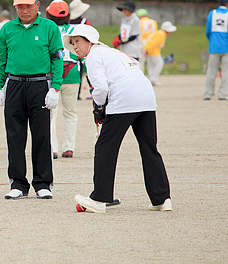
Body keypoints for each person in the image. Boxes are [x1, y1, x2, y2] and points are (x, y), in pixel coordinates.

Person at [65, 24, 172, 213]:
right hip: (146, 97)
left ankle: (100, 198)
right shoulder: (115, 53)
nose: (75, 46)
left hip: (124, 99)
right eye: (73, 43)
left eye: (77, 41)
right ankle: (162, 199)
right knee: (149, 148)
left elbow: (101, 88)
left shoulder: (93, 56)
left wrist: (99, 107)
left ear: (90, 41)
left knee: (105, 146)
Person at [0, 0, 63, 200]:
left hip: (40, 85)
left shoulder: (49, 27)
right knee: (14, 136)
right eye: (20, 6)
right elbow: (0, 60)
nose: (24, 10)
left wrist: (55, 87)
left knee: (41, 135)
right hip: (14, 85)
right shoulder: (7, 29)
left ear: (38, 5)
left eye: (28, 6)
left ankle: (43, 183)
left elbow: (57, 59)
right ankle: (18, 183)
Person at [45, 0, 79, 159]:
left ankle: (52, 148)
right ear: (68, 15)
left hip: (52, 73)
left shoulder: (47, 29)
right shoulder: (75, 30)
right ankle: (69, 148)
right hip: (72, 73)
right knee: (70, 112)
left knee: (51, 113)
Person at [203, 0, 228, 101]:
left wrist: (212, 41)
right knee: (226, 71)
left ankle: (208, 94)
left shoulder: (212, 13)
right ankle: (222, 94)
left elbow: (207, 31)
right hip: (227, 48)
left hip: (214, 47)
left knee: (211, 71)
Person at [69, 0, 91, 100]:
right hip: (83, 50)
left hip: (70, 49)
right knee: (84, 71)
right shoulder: (84, 21)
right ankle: (79, 93)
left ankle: (74, 93)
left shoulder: (67, 22)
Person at [145, 21, 177, 86]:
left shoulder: (159, 33)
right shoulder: (161, 34)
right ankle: (153, 79)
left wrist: (147, 50)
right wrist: (148, 50)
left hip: (149, 51)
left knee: (151, 66)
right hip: (153, 52)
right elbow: (153, 43)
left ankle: (151, 80)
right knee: (160, 63)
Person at [137, 8, 158, 74]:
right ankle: (152, 77)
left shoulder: (139, 22)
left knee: (141, 60)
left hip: (143, 43)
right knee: (151, 61)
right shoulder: (153, 22)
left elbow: (139, 34)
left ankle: (141, 74)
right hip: (152, 42)